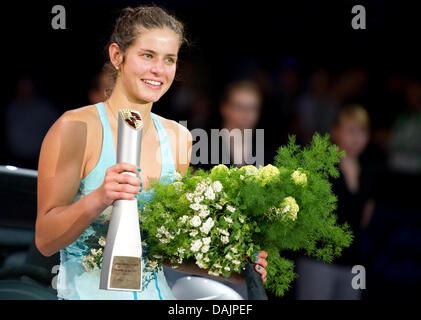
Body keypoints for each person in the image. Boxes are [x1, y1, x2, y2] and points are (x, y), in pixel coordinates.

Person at [35, 5, 268, 300]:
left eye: (169, 59)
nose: (158, 69)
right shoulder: (75, 127)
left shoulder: (179, 137)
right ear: (117, 56)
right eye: (147, 56)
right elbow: (45, 240)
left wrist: (230, 268)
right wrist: (100, 197)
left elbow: (165, 251)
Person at [295, 104, 375, 300]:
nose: (356, 138)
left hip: (355, 263)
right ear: (335, 131)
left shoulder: (369, 173)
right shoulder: (320, 167)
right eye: (350, 130)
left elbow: (365, 220)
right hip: (318, 259)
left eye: (362, 131)